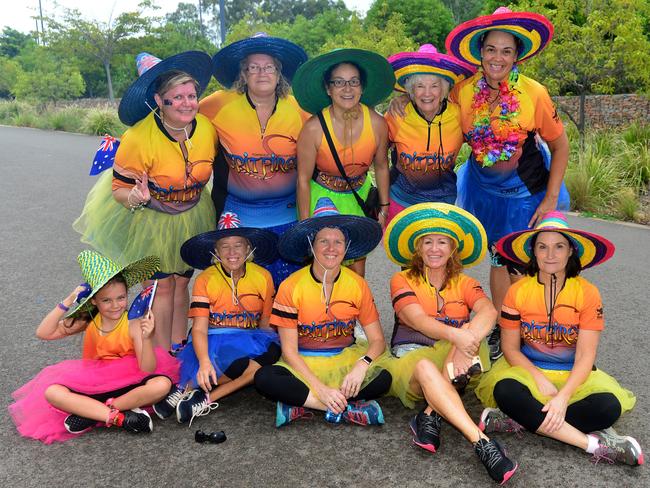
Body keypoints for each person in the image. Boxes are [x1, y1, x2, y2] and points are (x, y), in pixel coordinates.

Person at [443, 7, 572, 359]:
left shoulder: (535, 93)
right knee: (500, 258)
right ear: (480, 52)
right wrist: (399, 102)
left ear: (517, 56)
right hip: (483, 191)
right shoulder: (463, 92)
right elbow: (431, 107)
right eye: (491, 49)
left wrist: (548, 199)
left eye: (506, 51)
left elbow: (560, 146)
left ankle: (537, 330)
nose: (497, 58)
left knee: (527, 263)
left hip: (526, 192)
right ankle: (503, 326)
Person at [73, 51, 217, 351]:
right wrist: (135, 197)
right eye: (176, 97)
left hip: (193, 212)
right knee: (161, 287)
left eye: (191, 95)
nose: (187, 103)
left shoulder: (207, 128)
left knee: (180, 282)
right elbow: (119, 190)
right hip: (151, 217)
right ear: (158, 100)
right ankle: (161, 356)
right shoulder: (138, 138)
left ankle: (178, 345)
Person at [475, 211, 643, 466]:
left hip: (573, 374)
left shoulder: (588, 294)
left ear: (570, 252)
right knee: (505, 390)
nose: (550, 255)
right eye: (542, 247)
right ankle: (594, 445)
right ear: (534, 252)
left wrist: (563, 396)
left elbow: (586, 356)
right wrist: (538, 378)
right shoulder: (517, 292)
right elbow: (510, 349)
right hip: (527, 371)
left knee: (607, 407)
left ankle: (520, 418)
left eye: (559, 247)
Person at [383, 202, 518, 484]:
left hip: (457, 357)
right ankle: (480, 440)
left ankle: (432, 415)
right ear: (417, 248)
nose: (435, 249)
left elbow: (490, 311)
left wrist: (462, 338)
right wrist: (458, 336)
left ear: (453, 249)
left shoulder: (465, 282)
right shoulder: (401, 279)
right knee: (424, 364)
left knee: (472, 327)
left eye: (442, 242)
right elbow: (417, 320)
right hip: (413, 355)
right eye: (428, 242)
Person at [8, 251, 179, 444]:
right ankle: (119, 418)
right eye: (106, 300)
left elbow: (147, 368)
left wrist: (147, 338)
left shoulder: (133, 323)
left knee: (161, 384)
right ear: (94, 301)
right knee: (52, 392)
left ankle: (93, 411)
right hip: (94, 383)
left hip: (130, 384)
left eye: (121, 298)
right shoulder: (89, 320)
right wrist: (69, 300)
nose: (115, 305)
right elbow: (44, 332)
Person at [254, 197, 391, 427]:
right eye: (323, 241)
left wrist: (361, 365)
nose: (331, 248)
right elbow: (289, 352)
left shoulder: (358, 284)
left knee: (385, 377)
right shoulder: (291, 286)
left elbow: (377, 341)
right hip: (302, 362)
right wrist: (322, 390)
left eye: (338, 242)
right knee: (265, 379)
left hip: (345, 357)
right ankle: (343, 408)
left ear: (346, 247)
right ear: (311, 245)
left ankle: (301, 402)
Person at [199, 33, 309, 287]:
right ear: (243, 73)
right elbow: (180, 116)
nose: (262, 73)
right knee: (242, 291)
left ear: (279, 73)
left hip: (288, 216)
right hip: (238, 217)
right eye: (253, 67)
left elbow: (336, 116)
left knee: (287, 294)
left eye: (269, 67)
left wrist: (403, 100)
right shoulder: (218, 104)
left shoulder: (299, 108)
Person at [158, 212, 281, 425]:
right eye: (225, 246)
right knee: (222, 359)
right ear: (216, 251)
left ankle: (203, 397)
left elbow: (265, 322)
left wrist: (271, 349)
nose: (232, 252)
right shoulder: (205, 279)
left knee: (268, 358)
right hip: (213, 336)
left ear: (248, 248)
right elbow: (198, 328)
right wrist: (204, 361)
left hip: (248, 338)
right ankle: (188, 386)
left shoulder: (263, 276)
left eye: (238, 245)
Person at [294, 48, 394, 277]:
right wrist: (305, 225)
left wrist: (384, 208)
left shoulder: (377, 123)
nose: (347, 89)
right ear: (328, 89)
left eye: (353, 82)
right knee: (324, 266)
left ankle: (353, 312)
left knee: (358, 268)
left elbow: (380, 166)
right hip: (323, 198)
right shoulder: (313, 128)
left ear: (362, 87)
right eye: (339, 82)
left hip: (359, 196)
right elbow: (302, 179)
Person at [384, 44, 475, 224]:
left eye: (434, 85)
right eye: (419, 86)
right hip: (401, 201)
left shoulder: (459, 115)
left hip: (443, 203)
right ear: (410, 90)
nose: (427, 93)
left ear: (444, 89)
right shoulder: (397, 116)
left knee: (437, 251)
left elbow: (484, 144)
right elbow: (376, 154)